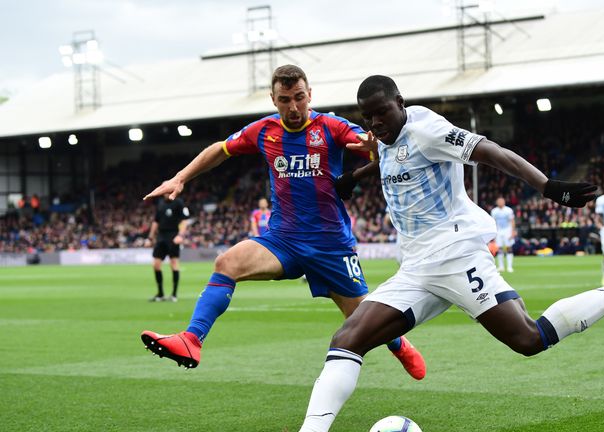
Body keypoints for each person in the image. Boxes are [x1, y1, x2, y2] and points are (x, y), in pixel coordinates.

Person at [297, 75, 604, 432]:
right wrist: (353, 177)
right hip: (416, 267)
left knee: (528, 338)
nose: (375, 124)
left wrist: (547, 185)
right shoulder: (386, 137)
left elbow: (492, 151)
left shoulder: (428, 129)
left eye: (382, 113)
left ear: (400, 102)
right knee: (347, 338)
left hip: (456, 254)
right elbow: (389, 158)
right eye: (368, 118)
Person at [139, 65, 425, 380]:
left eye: (299, 98)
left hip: (330, 246)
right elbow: (219, 151)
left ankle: (399, 345)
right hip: (283, 240)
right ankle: (192, 339)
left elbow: (368, 145)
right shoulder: (263, 131)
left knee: (364, 319)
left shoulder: (330, 127)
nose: (293, 107)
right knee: (227, 263)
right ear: (273, 99)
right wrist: (179, 178)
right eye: (285, 99)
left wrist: (375, 150)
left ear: (309, 95)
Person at [148, 194, 190, 302]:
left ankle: (174, 294)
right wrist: (150, 237)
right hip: (161, 237)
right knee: (156, 265)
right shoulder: (160, 203)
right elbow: (156, 221)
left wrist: (180, 235)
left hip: (173, 236)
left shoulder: (179, 202)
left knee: (174, 263)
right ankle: (160, 294)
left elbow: (184, 221)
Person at [490, 196, 515, 272]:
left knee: (508, 248)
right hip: (498, 230)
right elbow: (493, 222)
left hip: (507, 230)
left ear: (504, 202)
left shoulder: (508, 210)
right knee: (499, 248)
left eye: (501, 201)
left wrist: (513, 231)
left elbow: (512, 221)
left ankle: (509, 266)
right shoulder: (494, 211)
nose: (500, 202)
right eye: (499, 201)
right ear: (497, 202)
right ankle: (501, 267)